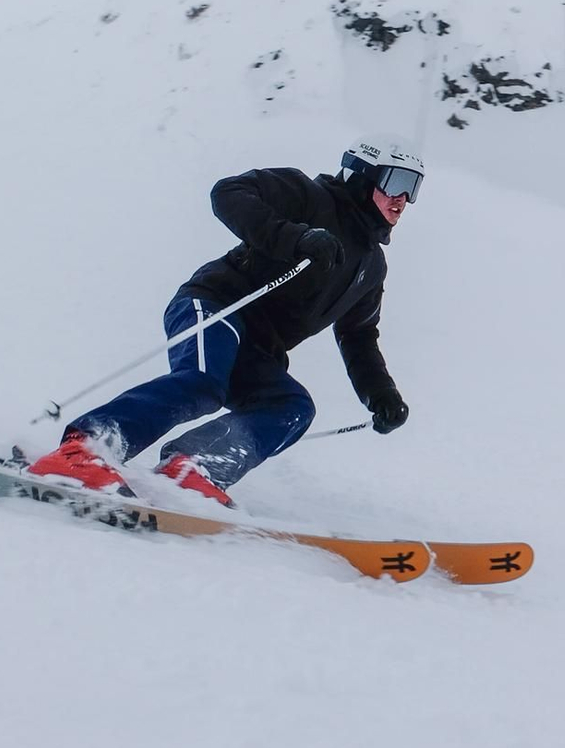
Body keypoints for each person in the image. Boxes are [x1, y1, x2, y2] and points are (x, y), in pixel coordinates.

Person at [26, 141, 420, 507]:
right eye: (396, 181)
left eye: (413, 187)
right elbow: (229, 192)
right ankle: (84, 449)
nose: (402, 198)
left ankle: (192, 468)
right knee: (202, 382)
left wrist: (380, 396)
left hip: (258, 350)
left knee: (291, 407)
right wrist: (295, 238)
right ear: (362, 174)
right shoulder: (309, 196)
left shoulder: (371, 267)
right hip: (215, 306)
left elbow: (358, 335)